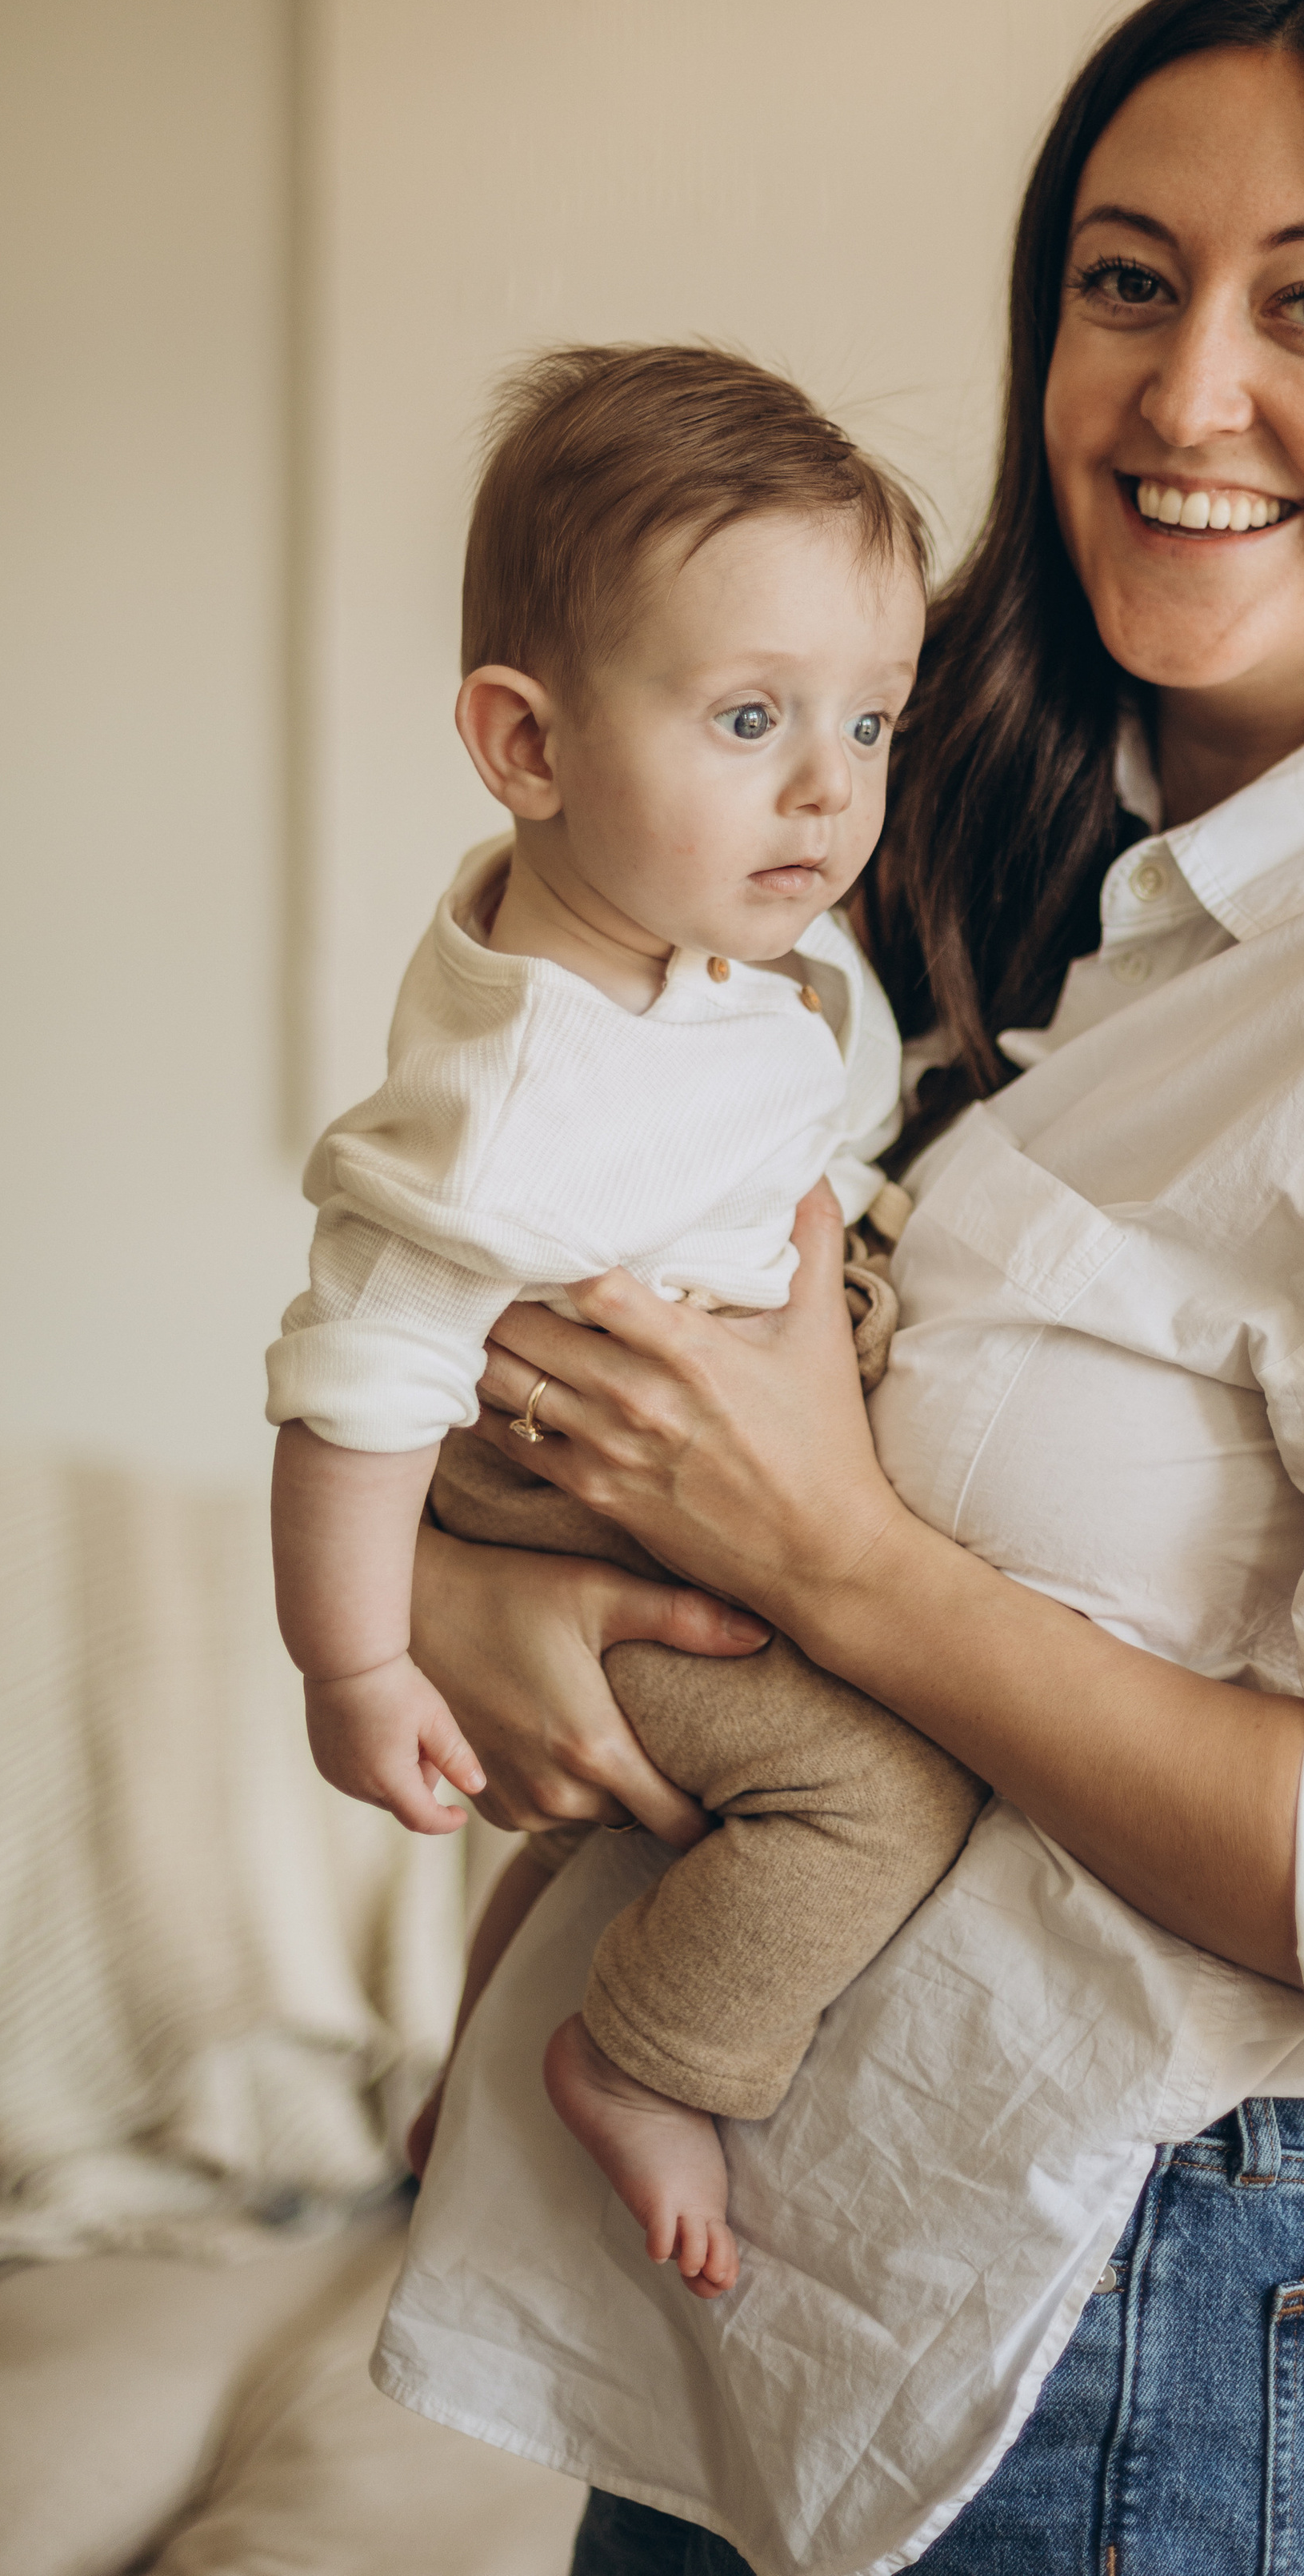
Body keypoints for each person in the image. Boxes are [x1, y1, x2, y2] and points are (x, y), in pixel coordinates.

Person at [374, 0, 1304, 2576]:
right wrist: (485, 1597)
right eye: (1125, 284)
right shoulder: (1059, 894)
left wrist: (838, 1562)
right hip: (822, 2300)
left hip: (1159, 2344)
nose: (1183, 393)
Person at [266, 345, 982, 2300]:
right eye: (751, 717)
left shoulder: (692, 921)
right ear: (528, 744)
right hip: (574, 1522)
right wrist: (357, 1668)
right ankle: (642, 2058)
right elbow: (356, 1375)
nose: (831, 789)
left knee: (593, 1845)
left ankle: (472, 2070)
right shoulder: (516, 1101)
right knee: (875, 1795)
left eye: (868, 720)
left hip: (662, 1465)